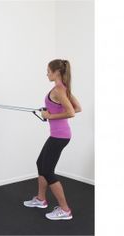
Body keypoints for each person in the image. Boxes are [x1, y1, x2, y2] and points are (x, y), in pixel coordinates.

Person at [23, 59, 82, 220]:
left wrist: (50, 115)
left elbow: (71, 112)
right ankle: (41, 199)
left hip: (60, 136)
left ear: (56, 72)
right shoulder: (63, 88)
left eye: (48, 71)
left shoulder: (58, 90)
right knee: (40, 164)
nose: (46, 74)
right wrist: (50, 111)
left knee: (48, 171)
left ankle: (65, 210)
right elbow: (77, 108)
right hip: (58, 135)